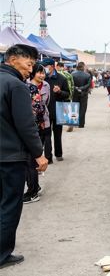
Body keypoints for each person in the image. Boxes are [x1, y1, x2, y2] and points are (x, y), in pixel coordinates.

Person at [0, 44, 48, 268]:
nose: (31, 69)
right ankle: (2, 254)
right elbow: (26, 125)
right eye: (29, 64)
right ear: (12, 59)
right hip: (9, 157)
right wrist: (39, 154)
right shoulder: (16, 85)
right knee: (9, 204)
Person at [24, 64, 51, 203]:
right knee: (31, 160)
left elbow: (40, 109)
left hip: (34, 127)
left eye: (43, 73)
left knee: (31, 161)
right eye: (39, 73)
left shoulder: (32, 88)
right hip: (35, 126)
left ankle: (32, 191)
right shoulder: (28, 86)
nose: (42, 75)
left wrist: (39, 125)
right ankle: (35, 187)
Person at [41, 58, 70, 162]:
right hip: (45, 111)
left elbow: (67, 94)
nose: (44, 68)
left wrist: (59, 92)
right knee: (46, 134)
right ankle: (48, 157)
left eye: (46, 66)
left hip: (58, 110)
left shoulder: (62, 79)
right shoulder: (41, 78)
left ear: (52, 66)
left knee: (58, 133)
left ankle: (59, 154)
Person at [71, 62, 92, 128]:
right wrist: (81, 88)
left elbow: (71, 84)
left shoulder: (72, 74)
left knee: (74, 108)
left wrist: (76, 88)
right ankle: (81, 124)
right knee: (83, 109)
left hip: (75, 93)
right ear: (83, 67)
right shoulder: (87, 75)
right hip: (84, 93)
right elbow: (88, 85)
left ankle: (74, 122)